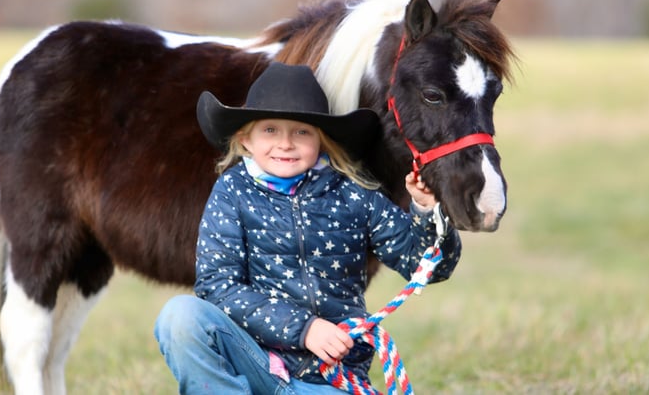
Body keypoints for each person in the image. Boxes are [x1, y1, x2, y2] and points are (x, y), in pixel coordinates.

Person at [155, 62, 462, 394]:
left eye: (301, 132)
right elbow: (218, 286)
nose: (285, 143)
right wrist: (305, 329)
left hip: (329, 377)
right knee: (180, 316)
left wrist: (426, 210)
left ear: (321, 140)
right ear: (246, 140)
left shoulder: (353, 195)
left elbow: (427, 267)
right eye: (270, 130)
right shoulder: (232, 192)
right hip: (256, 363)